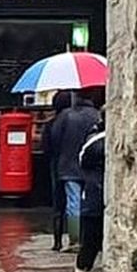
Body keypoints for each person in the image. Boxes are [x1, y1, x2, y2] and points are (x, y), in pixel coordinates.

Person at [48, 89, 100, 250]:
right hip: (92, 166)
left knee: (73, 202)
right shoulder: (96, 115)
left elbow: (54, 139)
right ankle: (91, 238)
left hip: (69, 166)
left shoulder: (65, 116)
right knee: (93, 202)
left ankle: (75, 239)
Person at [68, 114, 106, 272]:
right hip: (112, 198)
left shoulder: (95, 141)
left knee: (88, 244)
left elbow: (82, 160)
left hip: (94, 197)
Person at [43, 91, 73, 251]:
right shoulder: (81, 118)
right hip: (77, 166)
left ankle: (57, 241)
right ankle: (75, 238)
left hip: (57, 167)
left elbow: (46, 148)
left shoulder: (51, 124)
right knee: (76, 203)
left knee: (58, 206)